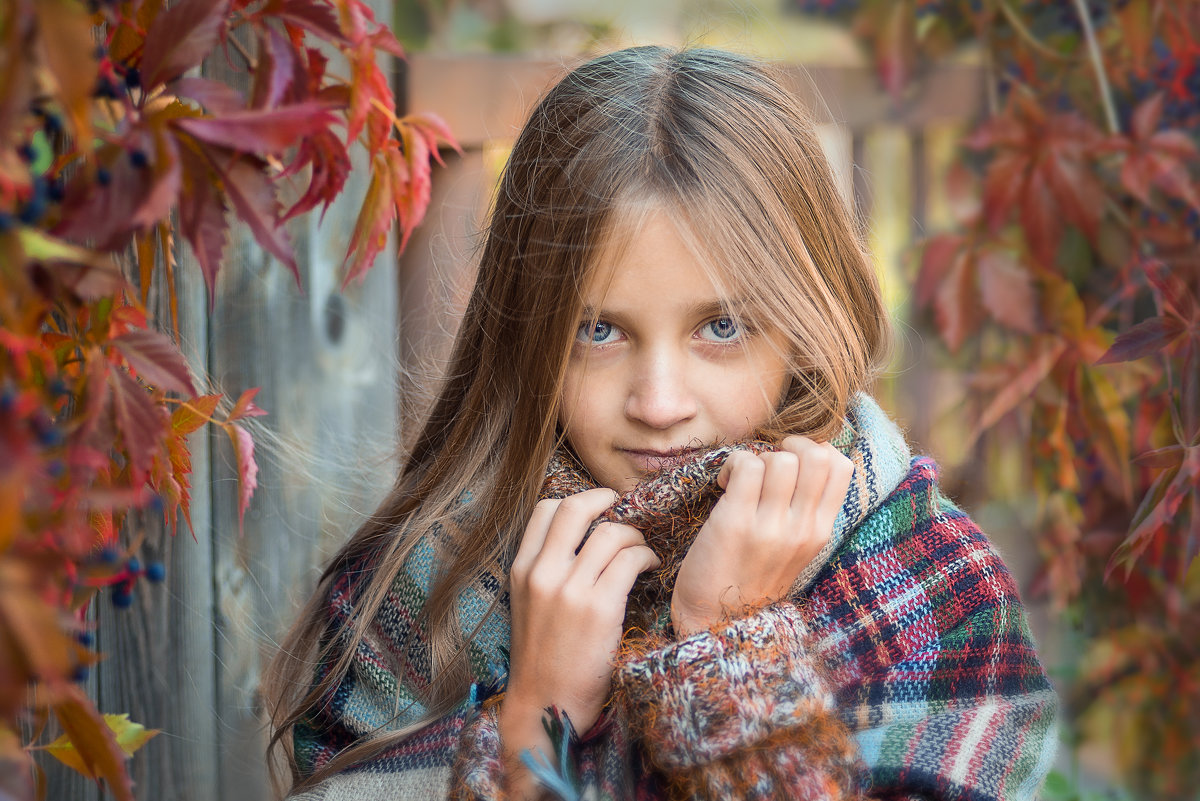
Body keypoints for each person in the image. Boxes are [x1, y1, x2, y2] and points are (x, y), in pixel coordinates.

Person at [264, 46, 1058, 801]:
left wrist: (728, 657)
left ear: (805, 322)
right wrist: (532, 723)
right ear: (526, 334)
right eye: (597, 330)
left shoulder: (929, 576)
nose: (658, 400)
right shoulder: (422, 583)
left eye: (721, 328)